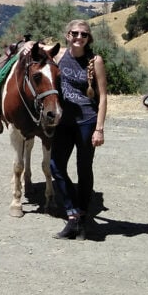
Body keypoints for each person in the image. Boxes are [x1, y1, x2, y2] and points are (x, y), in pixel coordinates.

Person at [48, 20, 107, 240]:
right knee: (56, 166)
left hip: (87, 122)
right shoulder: (57, 55)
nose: (78, 37)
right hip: (64, 122)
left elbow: (102, 98)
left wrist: (99, 129)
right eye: (74, 33)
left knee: (84, 168)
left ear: (88, 38)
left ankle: (81, 216)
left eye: (83, 34)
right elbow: (34, 50)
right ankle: (73, 215)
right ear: (66, 35)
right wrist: (26, 46)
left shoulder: (95, 61)